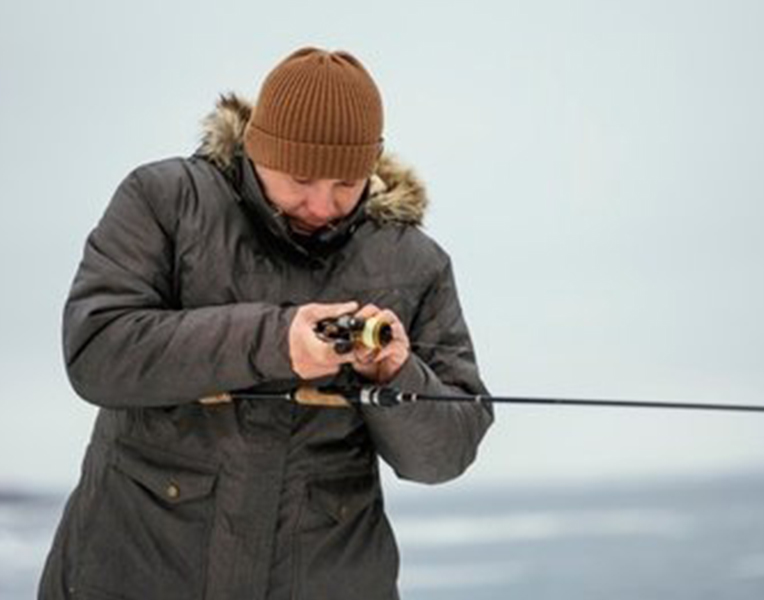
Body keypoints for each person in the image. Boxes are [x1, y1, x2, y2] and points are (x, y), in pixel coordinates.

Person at [39, 47, 493, 600]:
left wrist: (396, 374)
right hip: (130, 573)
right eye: (300, 178)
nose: (321, 205)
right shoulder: (164, 201)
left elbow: (444, 456)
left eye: (346, 183)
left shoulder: (413, 263)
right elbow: (96, 351)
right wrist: (275, 342)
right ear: (259, 149)